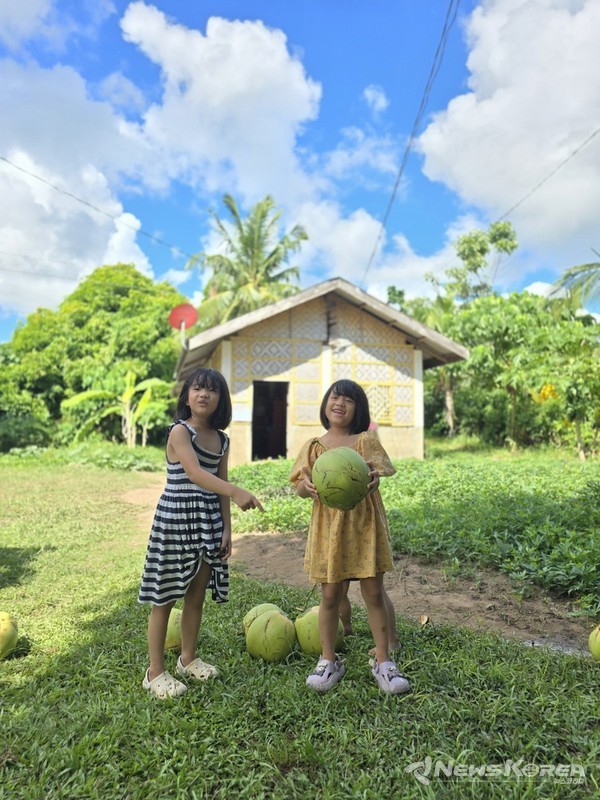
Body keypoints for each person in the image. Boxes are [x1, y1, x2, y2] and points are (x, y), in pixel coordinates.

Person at [139, 367, 264, 698]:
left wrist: (227, 529)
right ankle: (154, 672)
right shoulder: (180, 432)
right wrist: (238, 491)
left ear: (221, 399)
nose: (203, 394)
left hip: (207, 523)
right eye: (197, 389)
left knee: (195, 596)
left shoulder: (222, 440)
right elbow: (194, 473)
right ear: (187, 396)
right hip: (175, 522)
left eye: (211, 390)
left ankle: (188, 659)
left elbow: (219, 488)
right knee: (163, 597)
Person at [289, 379, 410, 694]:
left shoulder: (365, 441)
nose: (339, 403)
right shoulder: (314, 446)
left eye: (347, 399)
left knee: (373, 592)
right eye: (334, 396)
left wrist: (373, 482)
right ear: (326, 404)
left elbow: (377, 476)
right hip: (330, 531)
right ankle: (328, 659)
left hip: (363, 527)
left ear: (359, 408)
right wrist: (308, 487)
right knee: (330, 595)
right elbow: (300, 487)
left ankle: (383, 660)